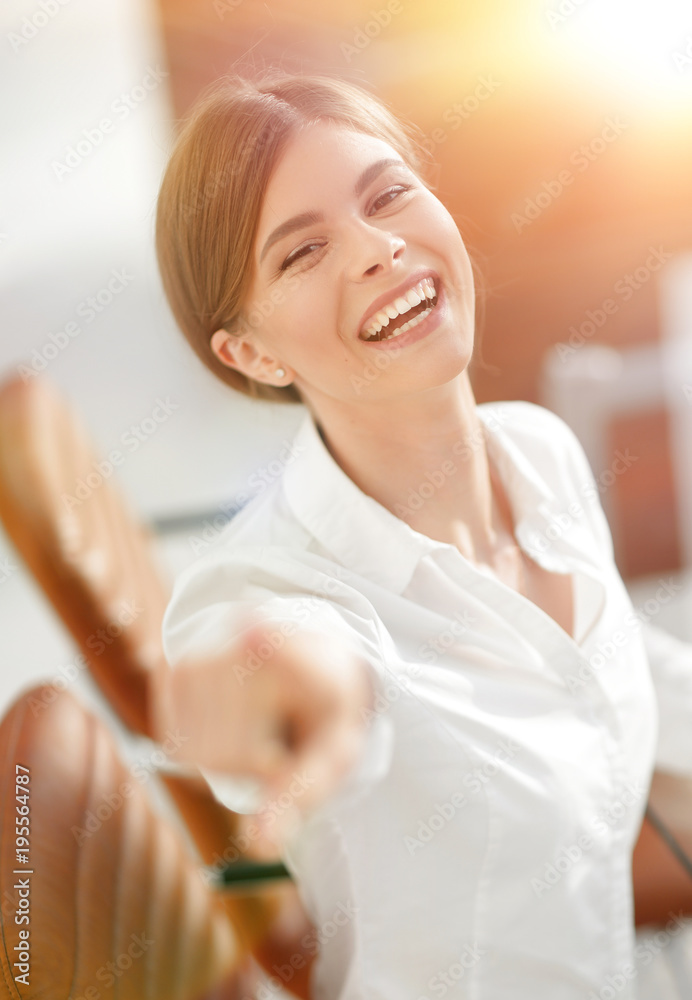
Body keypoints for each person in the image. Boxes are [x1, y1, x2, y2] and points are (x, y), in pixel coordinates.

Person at [153, 70, 692, 999]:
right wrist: (282, 694)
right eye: (302, 252)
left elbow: (621, 658)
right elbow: (283, 658)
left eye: (389, 193)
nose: (378, 249)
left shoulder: (539, 449)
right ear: (250, 353)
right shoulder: (281, 593)